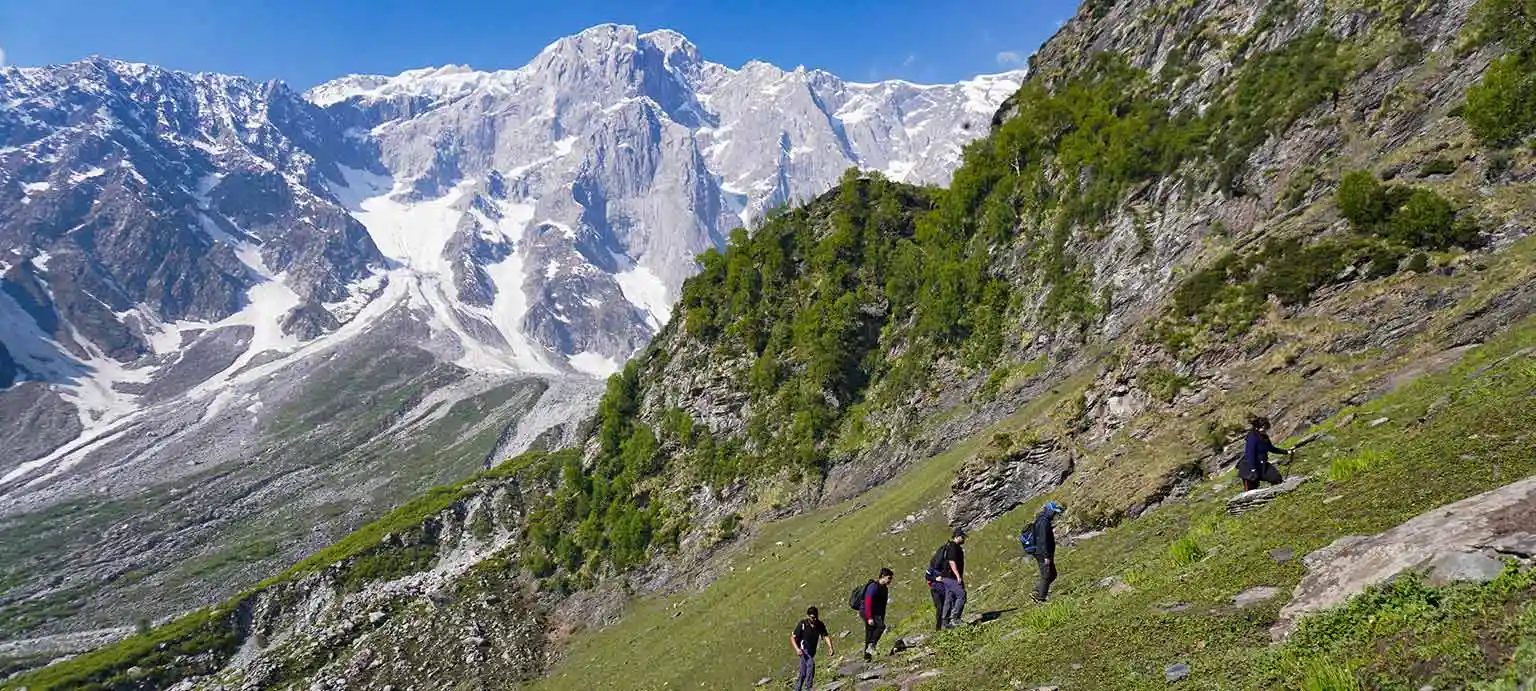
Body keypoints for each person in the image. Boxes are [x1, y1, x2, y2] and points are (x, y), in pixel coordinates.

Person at [1239, 416, 1293, 491]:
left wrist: (1286, 452)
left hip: (1263, 466)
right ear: (1257, 427)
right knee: (1251, 490)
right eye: (1263, 428)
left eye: (1266, 428)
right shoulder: (1252, 437)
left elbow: (1271, 448)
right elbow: (1250, 454)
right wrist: (1253, 470)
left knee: (1276, 478)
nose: (1265, 430)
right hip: (1249, 468)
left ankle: (1277, 493)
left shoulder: (1264, 437)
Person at [929, 528, 967, 629]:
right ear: (957, 536)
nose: (964, 539)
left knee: (949, 598)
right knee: (962, 595)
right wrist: (958, 576)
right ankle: (955, 618)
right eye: (963, 537)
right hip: (951, 577)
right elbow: (952, 562)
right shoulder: (954, 547)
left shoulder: (950, 546)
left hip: (946, 577)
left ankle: (944, 622)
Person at [1028, 501, 1065, 603]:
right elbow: (1043, 540)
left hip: (1040, 551)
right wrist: (1046, 556)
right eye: (1053, 512)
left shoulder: (1041, 519)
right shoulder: (1044, 522)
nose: (1054, 515)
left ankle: (1037, 590)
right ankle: (1040, 597)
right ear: (1049, 511)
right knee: (1047, 575)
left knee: (1052, 574)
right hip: (1042, 553)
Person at [790, 606, 833, 691]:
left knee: (803, 672)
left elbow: (825, 636)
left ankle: (796, 689)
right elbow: (792, 638)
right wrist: (797, 649)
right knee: (811, 664)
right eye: (813, 617)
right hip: (803, 649)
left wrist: (830, 647)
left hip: (812, 650)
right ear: (808, 616)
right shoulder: (803, 624)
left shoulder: (819, 624)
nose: (815, 619)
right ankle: (808, 687)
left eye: (816, 617)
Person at [861, 568, 893, 661]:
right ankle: (871, 646)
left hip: (876, 613)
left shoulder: (884, 589)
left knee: (870, 632)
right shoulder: (873, 586)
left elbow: (883, 605)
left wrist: (881, 617)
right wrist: (870, 617)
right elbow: (868, 601)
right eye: (889, 578)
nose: (890, 580)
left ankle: (867, 656)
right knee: (880, 627)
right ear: (883, 576)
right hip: (867, 611)